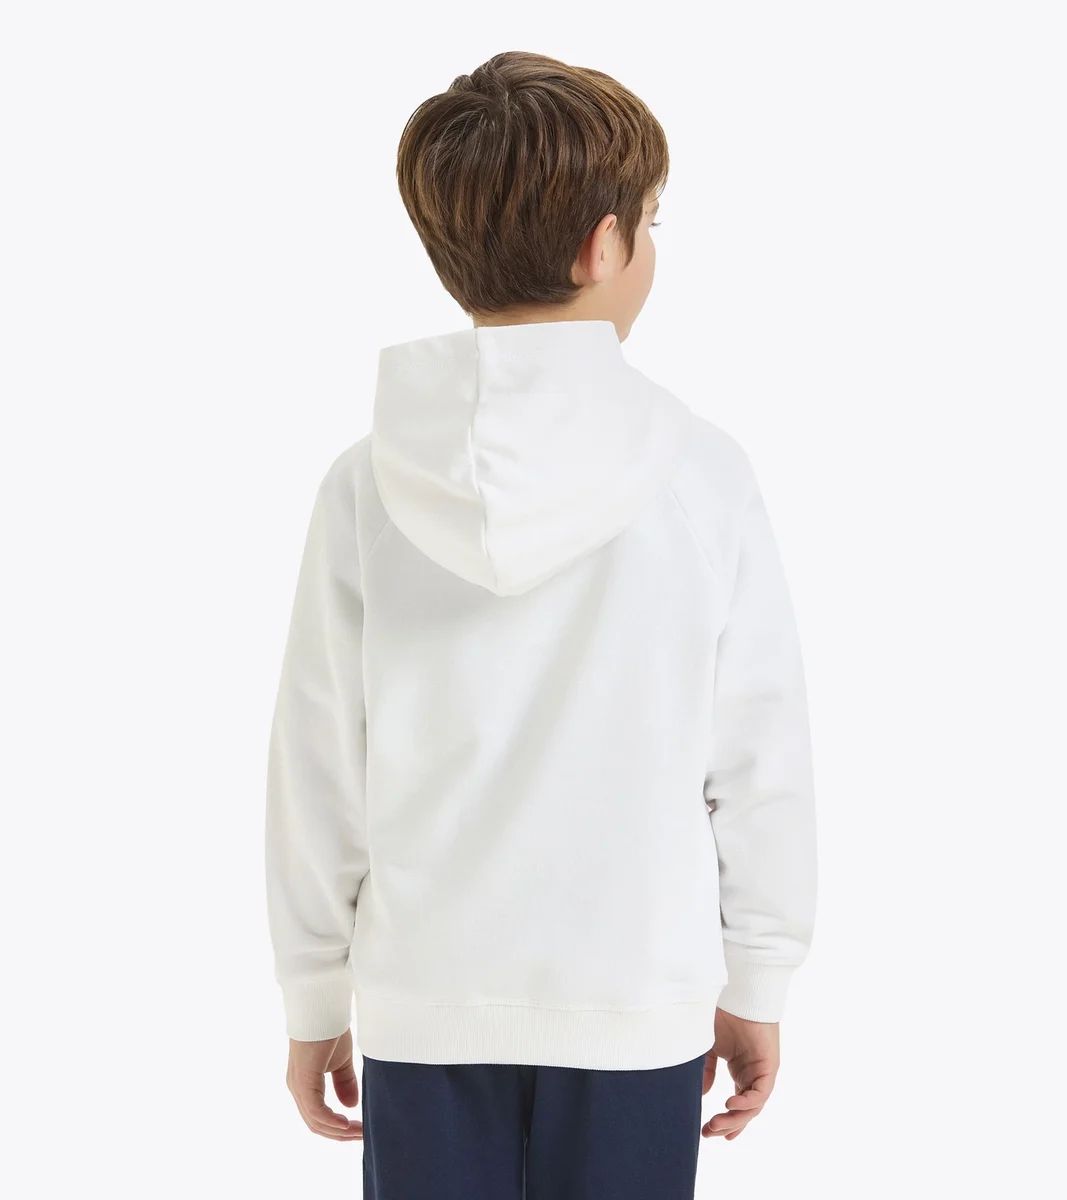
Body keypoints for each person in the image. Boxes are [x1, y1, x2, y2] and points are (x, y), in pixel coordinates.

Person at [264, 49, 818, 1200]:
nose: (650, 247)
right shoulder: (702, 476)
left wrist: (314, 997)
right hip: (635, 1003)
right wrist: (755, 976)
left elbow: (318, 767)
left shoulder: (366, 485)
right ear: (601, 246)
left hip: (424, 1005)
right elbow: (759, 760)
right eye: (651, 222)